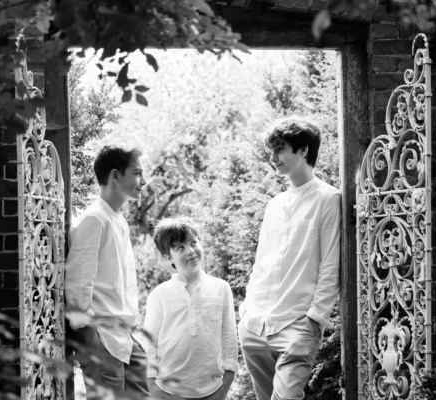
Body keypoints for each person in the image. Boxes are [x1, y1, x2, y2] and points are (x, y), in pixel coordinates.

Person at [239, 118, 341, 400]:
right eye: (271, 151)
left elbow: (331, 264)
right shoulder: (274, 205)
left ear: (304, 150)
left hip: (297, 326)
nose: (272, 159)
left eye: (279, 149)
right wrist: (246, 310)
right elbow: (261, 264)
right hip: (255, 325)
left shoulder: (328, 199)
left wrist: (315, 319)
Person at [64, 145, 148, 396]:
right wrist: (91, 338)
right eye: (137, 173)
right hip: (102, 338)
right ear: (115, 175)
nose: (143, 181)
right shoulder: (94, 219)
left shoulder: (118, 220)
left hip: (124, 335)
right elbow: (78, 283)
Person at [144, 217, 238, 400]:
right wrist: (153, 387)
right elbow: (149, 343)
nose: (190, 251)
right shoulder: (159, 295)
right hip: (167, 392)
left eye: (193, 243)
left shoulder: (221, 288)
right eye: (180, 247)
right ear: (167, 256)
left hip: (212, 391)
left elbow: (229, 339)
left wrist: (225, 385)